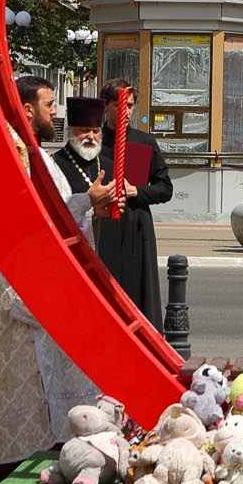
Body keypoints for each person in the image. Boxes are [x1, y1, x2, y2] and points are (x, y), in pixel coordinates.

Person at [0, 89, 115, 481]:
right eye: (48, 104)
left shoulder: (33, 151)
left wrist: (88, 205)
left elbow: (52, 212)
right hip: (20, 273)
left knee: (48, 369)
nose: (53, 112)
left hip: (43, 270)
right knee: (24, 370)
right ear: (26, 108)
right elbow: (32, 219)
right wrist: (85, 201)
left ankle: (49, 443)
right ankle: (14, 453)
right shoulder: (15, 153)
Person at [94, 79, 173, 323]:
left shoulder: (144, 141)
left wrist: (136, 191)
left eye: (130, 106)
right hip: (103, 227)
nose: (126, 111)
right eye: (120, 105)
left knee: (139, 297)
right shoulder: (94, 142)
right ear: (106, 107)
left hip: (136, 225)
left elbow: (165, 188)